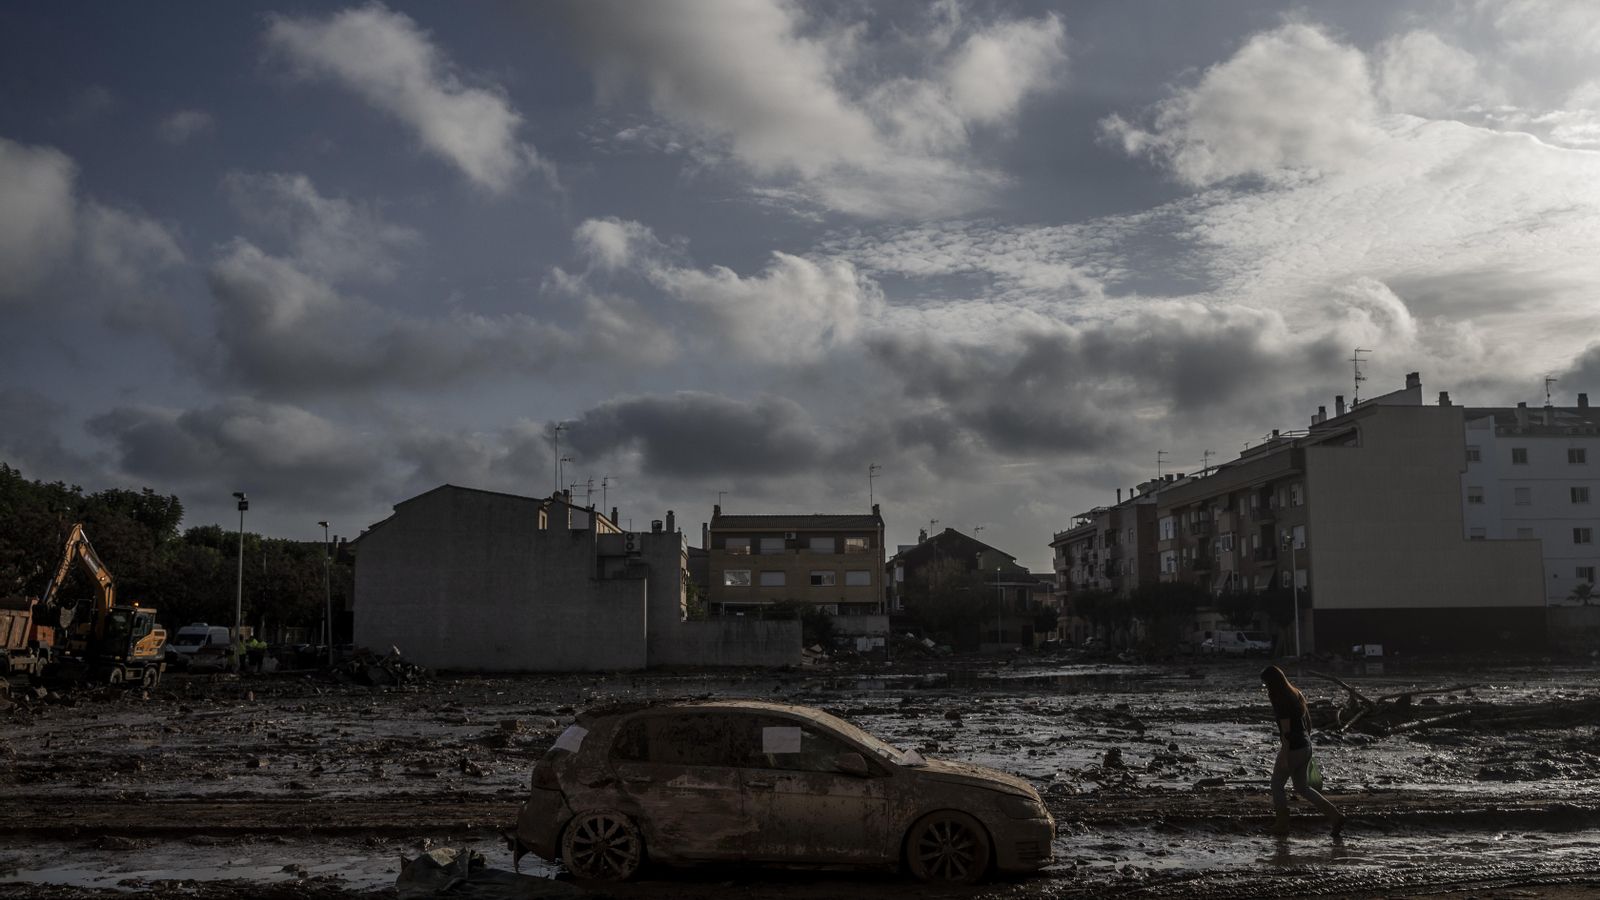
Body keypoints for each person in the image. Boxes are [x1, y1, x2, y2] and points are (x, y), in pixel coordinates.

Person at [1261, 664, 1345, 839]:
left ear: (1272, 684)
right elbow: (1308, 723)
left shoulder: (1280, 700)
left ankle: (1282, 824)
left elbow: (1286, 732)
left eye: (1266, 684)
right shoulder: (1296, 693)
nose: (1265, 688)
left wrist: (1284, 756)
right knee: (1302, 787)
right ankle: (1335, 815)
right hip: (1306, 745)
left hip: (1293, 748)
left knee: (1276, 785)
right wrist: (1306, 743)